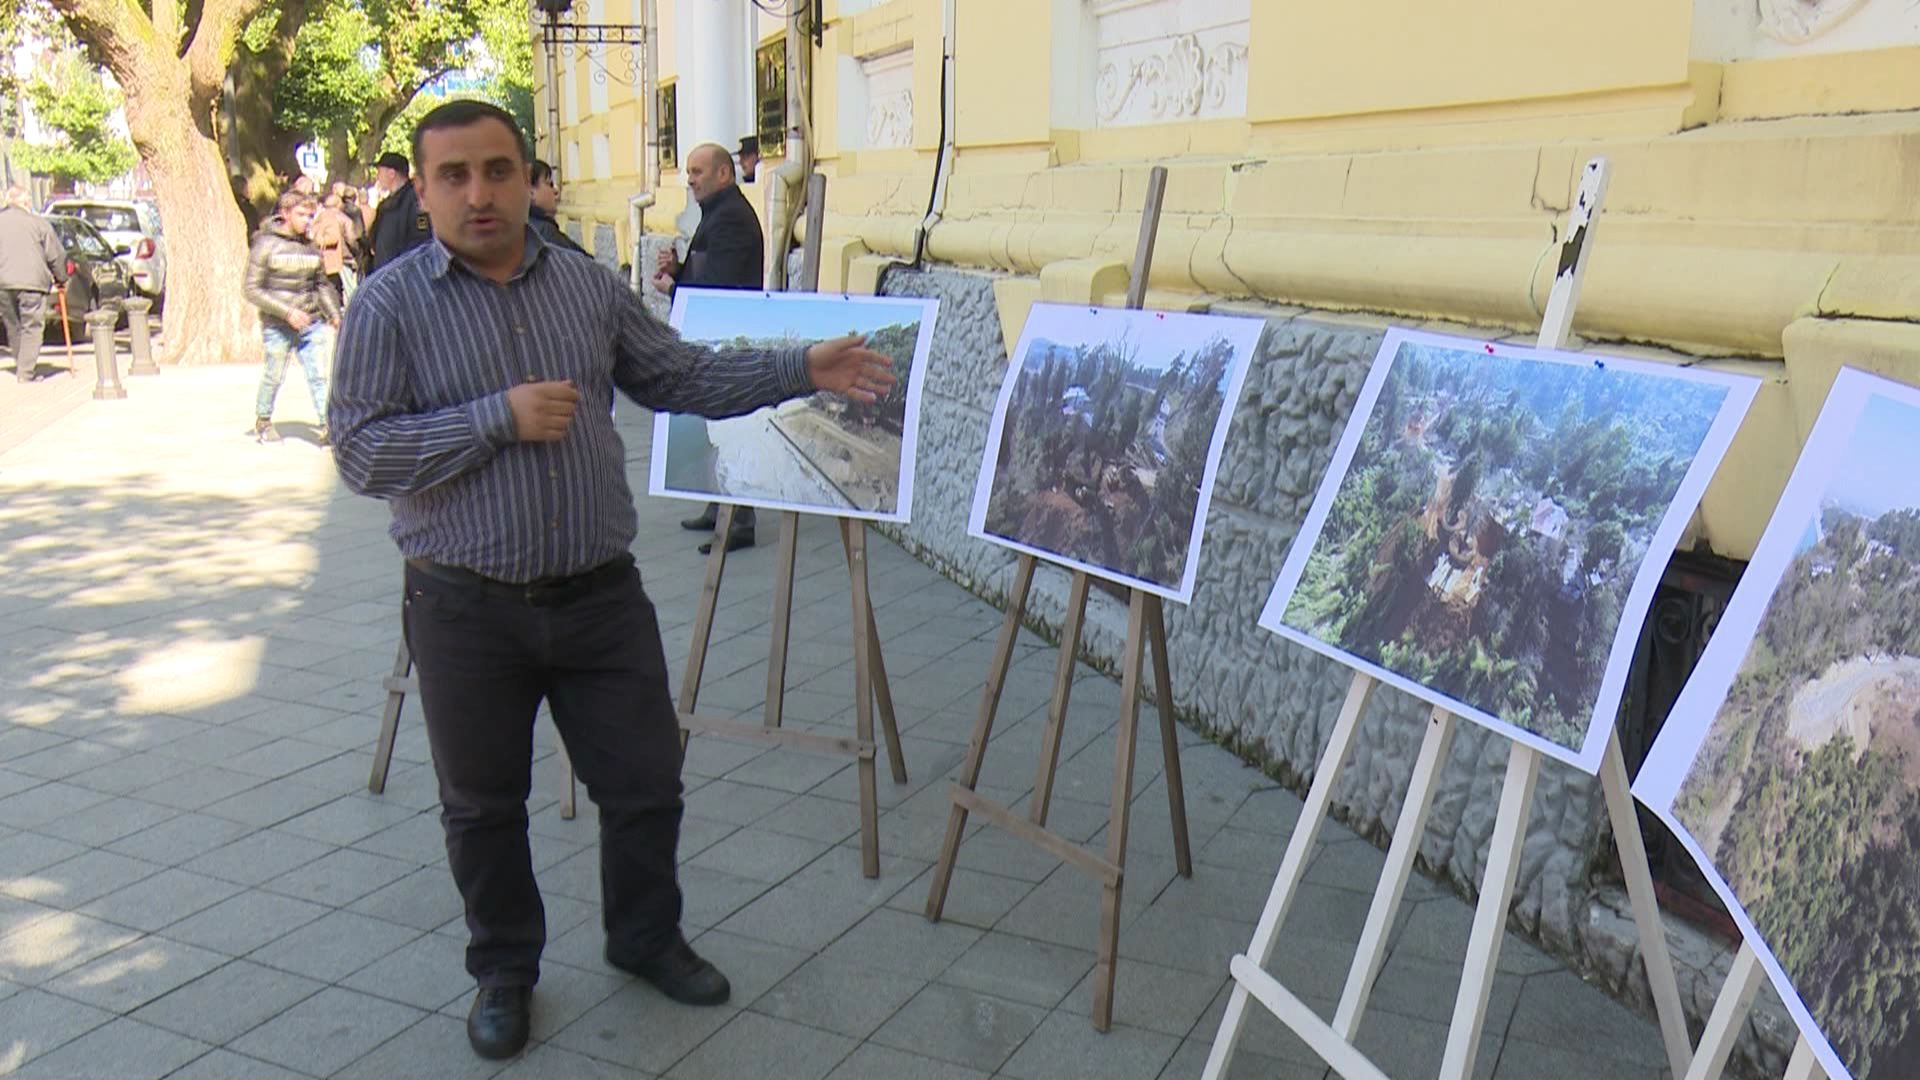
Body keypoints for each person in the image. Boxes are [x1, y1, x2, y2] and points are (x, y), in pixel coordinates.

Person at [326, 99, 894, 1063]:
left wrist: (802, 366)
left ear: (526, 176)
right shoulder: (388, 306)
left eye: (497, 170)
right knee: (482, 806)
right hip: (464, 605)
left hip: (599, 597)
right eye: (454, 176)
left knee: (646, 784)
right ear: (423, 191)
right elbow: (361, 453)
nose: (478, 193)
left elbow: (678, 376)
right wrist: (495, 419)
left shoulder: (586, 288)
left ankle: (644, 937)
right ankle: (505, 970)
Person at [652, 141, 767, 554]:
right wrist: (679, 269)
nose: (690, 180)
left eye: (697, 172)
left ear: (723, 174)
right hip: (716, 336)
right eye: (688, 172)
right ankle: (719, 508)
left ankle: (739, 521)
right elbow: (707, 272)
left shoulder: (731, 217)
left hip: (728, 339)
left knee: (729, 428)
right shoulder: (718, 213)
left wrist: (675, 287)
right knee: (714, 426)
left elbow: (720, 288)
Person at [244, 190, 341, 444]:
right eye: (301, 215)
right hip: (278, 324)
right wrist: (286, 312)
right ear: (285, 214)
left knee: (319, 375)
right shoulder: (265, 244)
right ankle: (263, 419)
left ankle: (328, 425)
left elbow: (321, 285)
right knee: (274, 374)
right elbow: (251, 288)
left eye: (310, 215)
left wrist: (334, 314)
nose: (307, 220)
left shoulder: (311, 247)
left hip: (311, 321)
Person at [0, 186, 69, 384]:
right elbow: (56, 255)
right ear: (26, 203)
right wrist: (61, 278)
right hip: (33, 284)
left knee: (13, 325)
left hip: (3, 284)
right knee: (32, 326)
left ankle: (22, 365)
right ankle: (26, 371)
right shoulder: (39, 224)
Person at [364, 151, 431, 273]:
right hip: (384, 274)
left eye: (379, 172)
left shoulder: (414, 201)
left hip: (403, 276)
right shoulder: (386, 205)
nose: (377, 177)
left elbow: (421, 241)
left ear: (391, 174)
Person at [527, 159, 587, 255]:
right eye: (549, 184)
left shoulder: (525, 229)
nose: (556, 191)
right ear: (531, 192)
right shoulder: (544, 234)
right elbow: (581, 261)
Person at [310, 193, 352, 300]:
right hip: (320, 265)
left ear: (319, 205)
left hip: (329, 265)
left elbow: (333, 237)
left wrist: (315, 239)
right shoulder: (315, 218)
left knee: (333, 295)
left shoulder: (327, 217)